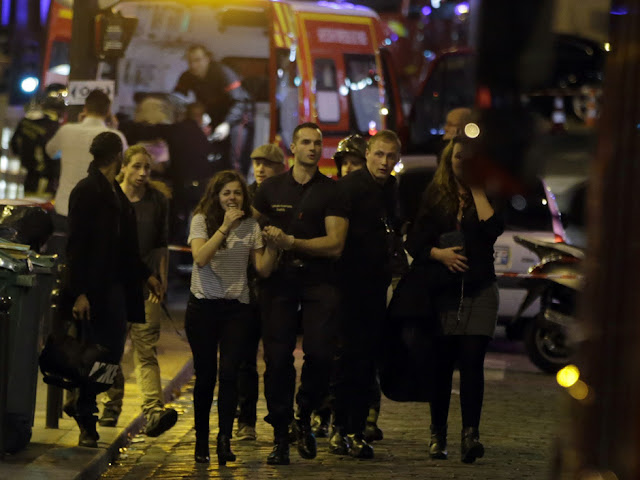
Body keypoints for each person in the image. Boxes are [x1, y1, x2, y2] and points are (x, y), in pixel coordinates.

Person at [253, 122, 349, 465]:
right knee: (277, 360)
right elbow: (250, 227)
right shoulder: (270, 188)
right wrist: (263, 250)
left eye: (317, 143)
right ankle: (281, 435)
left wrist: (291, 242)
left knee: (321, 354)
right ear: (292, 148)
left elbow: (335, 244)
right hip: (279, 282)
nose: (312, 148)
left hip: (319, 280)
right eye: (306, 142)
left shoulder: (333, 191)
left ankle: (305, 413)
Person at [405, 136, 503, 463]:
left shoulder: (488, 191)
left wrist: (477, 188)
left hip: (480, 288)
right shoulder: (435, 196)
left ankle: (470, 435)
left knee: (473, 361)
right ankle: (438, 434)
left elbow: (493, 229)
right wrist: (439, 254)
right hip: (443, 291)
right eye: (459, 157)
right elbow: (415, 241)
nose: (464, 162)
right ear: (449, 161)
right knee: (442, 365)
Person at [64, 132, 163, 448]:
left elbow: (126, 248)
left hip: (117, 289)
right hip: (94, 290)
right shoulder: (87, 190)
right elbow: (76, 245)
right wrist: (79, 292)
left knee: (111, 355)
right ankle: (86, 415)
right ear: (118, 157)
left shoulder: (114, 194)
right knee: (92, 352)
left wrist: (147, 275)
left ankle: (83, 400)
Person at [186, 170, 278, 465]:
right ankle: (202, 441)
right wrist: (225, 227)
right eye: (226, 193)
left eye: (237, 193)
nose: (232, 198)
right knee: (205, 376)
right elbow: (200, 258)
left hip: (237, 308)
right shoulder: (201, 220)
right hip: (203, 307)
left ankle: (224, 439)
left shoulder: (250, 225)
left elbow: (262, 269)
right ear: (216, 196)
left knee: (229, 374)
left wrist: (273, 245)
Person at [96, 145, 178, 435]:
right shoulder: (109, 197)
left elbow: (161, 244)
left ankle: (153, 410)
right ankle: (109, 404)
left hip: (146, 284)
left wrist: (161, 279)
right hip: (113, 285)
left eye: (147, 168)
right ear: (124, 167)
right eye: (137, 166)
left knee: (145, 348)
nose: (143, 173)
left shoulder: (157, 200)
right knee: (110, 349)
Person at [330, 130, 402, 459]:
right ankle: (339, 427)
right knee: (347, 359)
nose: (385, 162)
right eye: (379, 155)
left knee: (365, 360)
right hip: (347, 285)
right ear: (369, 154)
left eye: (391, 156)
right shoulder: (349, 187)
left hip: (376, 285)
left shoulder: (392, 189)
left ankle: (356, 430)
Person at [235, 143, 286, 442]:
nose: (261, 168)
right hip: (246, 284)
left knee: (276, 358)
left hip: (277, 285)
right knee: (244, 358)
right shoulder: (245, 197)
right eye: (257, 163)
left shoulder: (286, 195)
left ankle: (281, 419)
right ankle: (246, 420)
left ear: (280, 167)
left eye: (267, 163)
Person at [45, 90, 127, 257]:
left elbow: (51, 152)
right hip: (99, 213)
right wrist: (114, 128)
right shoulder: (115, 136)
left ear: (85, 108)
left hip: (65, 208)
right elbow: (125, 164)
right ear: (108, 111)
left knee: (61, 260)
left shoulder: (66, 131)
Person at [120, 101, 214, 244]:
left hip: (180, 184)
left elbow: (148, 131)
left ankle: (176, 245)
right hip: (199, 185)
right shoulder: (202, 136)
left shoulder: (175, 129)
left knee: (176, 222)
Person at [174, 45, 252, 175]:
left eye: (198, 60)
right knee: (215, 157)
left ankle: (238, 184)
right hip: (216, 117)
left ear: (207, 59)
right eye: (190, 61)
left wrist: (227, 124)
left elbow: (240, 101)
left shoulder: (222, 73)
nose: (193, 65)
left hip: (238, 117)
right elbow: (177, 97)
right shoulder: (188, 76)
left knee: (234, 159)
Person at [10, 94, 63, 193]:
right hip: (45, 175)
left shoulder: (25, 121)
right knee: (40, 200)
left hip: (30, 170)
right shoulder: (53, 126)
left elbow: (13, 143)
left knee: (29, 197)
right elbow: (54, 152)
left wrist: (22, 156)